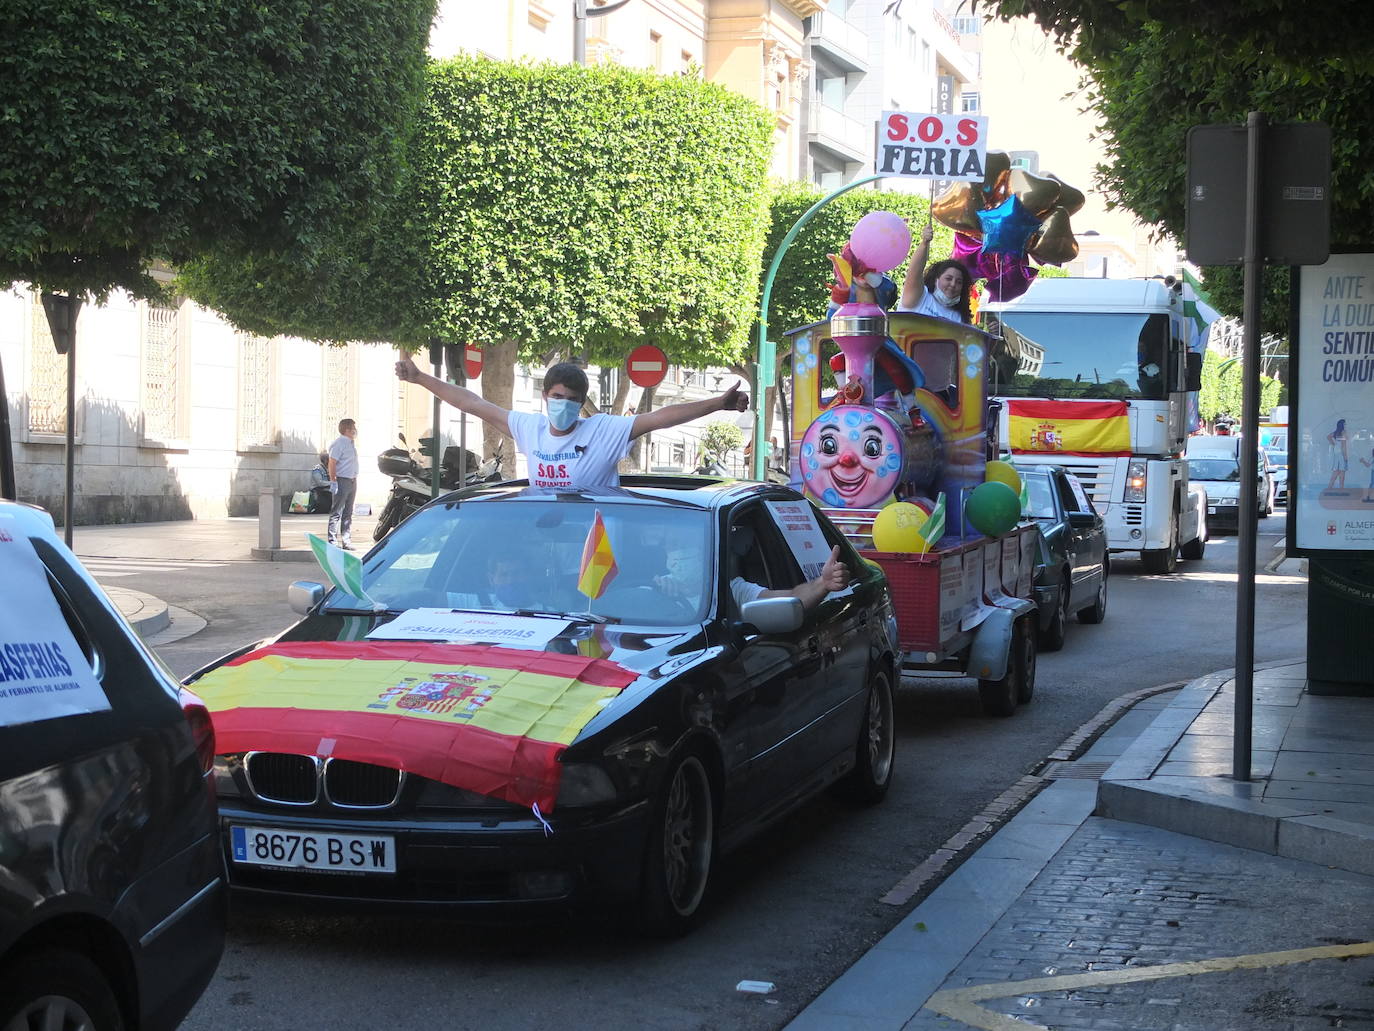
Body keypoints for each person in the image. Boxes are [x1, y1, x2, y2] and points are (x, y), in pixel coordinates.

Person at [395, 358, 748, 490]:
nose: (563, 405)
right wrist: (421, 377)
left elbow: (660, 418)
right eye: (557, 397)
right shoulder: (529, 428)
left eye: (572, 400)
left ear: (581, 404)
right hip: (543, 541)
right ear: (545, 397)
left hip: (594, 554)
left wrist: (718, 403)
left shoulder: (602, 431)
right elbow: (472, 402)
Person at [654, 538, 851, 613]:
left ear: (706, 553)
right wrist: (657, 592)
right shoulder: (655, 587)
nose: (676, 555)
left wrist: (823, 583)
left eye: (683, 546)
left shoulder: (733, 590)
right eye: (670, 547)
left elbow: (792, 598)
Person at [897, 222, 973, 324]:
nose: (953, 284)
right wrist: (925, 243)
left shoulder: (959, 317)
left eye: (959, 282)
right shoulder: (920, 297)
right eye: (948, 279)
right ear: (936, 279)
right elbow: (915, 271)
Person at [326, 419, 359, 549]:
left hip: (352, 480)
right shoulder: (339, 443)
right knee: (336, 511)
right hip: (342, 480)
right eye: (353, 428)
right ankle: (332, 541)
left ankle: (346, 540)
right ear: (347, 429)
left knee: (348, 512)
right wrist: (333, 480)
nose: (355, 430)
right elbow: (332, 462)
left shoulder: (350, 443)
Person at [1327, 418, 1349, 489]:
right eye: (1345, 424)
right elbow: (1343, 446)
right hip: (1341, 455)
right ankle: (1340, 489)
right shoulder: (1343, 432)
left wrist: (1333, 444)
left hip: (1337, 454)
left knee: (1336, 473)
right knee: (1341, 474)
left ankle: (1329, 488)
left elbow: (1328, 436)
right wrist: (1345, 457)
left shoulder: (1336, 432)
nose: (1346, 425)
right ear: (1342, 425)